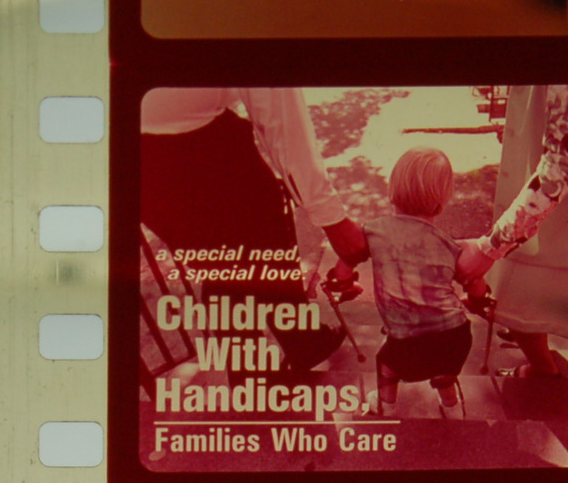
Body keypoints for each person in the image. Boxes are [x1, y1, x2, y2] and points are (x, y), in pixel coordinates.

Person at [140, 87, 368, 373]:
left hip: (143, 161)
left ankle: (288, 350)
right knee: (265, 253)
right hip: (207, 148)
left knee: (221, 271)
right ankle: (297, 345)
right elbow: (281, 123)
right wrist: (332, 220)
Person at [454, 83, 568, 378]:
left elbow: (562, 166)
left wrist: (489, 248)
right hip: (551, 198)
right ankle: (537, 353)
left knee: (515, 299)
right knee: (522, 301)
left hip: (560, 205)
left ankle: (542, 371)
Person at [351, 147, 490, 413]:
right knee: (443, 373)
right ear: (442, 200)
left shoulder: (374, 231)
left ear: (393, 188)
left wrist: (345, 281)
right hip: (455, 334)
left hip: (409, 338)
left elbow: (347, 258)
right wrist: (476, 299)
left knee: (387, 366)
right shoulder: (448, 245)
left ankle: (386, 405)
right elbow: (475, 282)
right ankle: (452, 408)